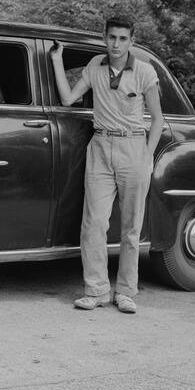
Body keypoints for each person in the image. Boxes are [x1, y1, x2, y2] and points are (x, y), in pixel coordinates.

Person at [50, 16, 164, 314]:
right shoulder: (94, 67)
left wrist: (147, 156)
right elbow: (67, 98)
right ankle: (96, 290)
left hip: (133, 148)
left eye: (122, 39)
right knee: (94, 223)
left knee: (130, 228)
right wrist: (57, 60)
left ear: (131, 41)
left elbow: (158, 120)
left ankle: (125, 292)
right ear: (104, 37)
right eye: (112, 37)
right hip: (99, 146)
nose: (116, 44)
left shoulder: (144, 71)